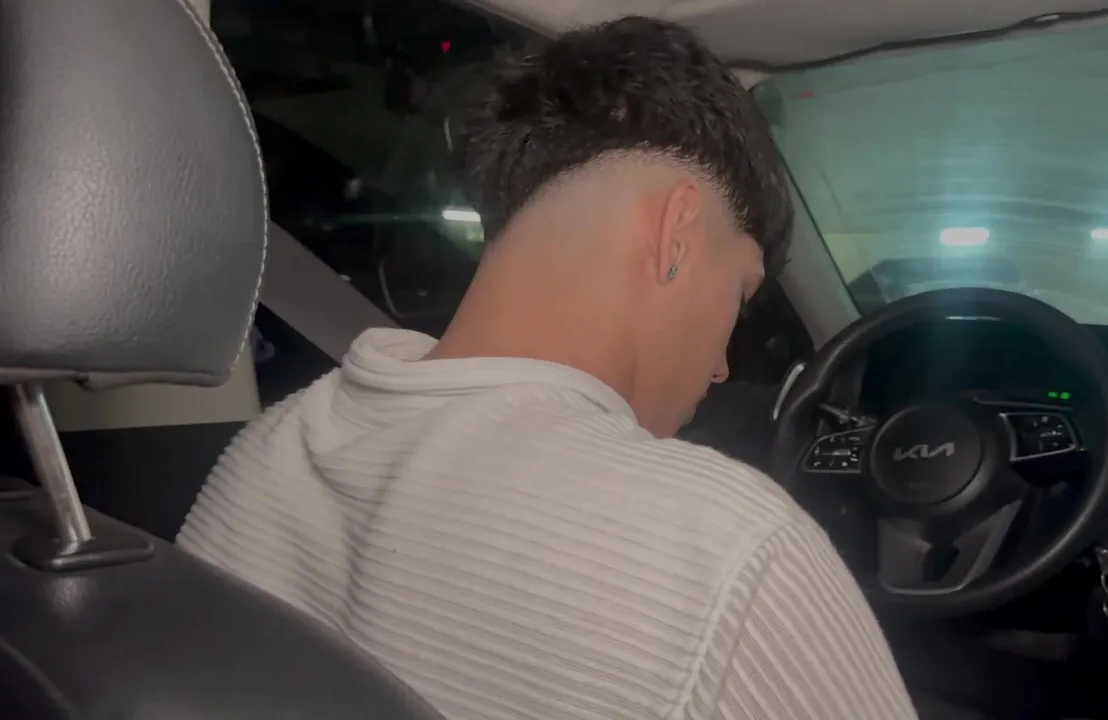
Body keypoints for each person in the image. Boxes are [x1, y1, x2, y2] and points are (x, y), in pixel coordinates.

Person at [178, 16, 918, 720]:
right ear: (677, 234)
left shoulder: (262, 456)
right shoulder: (726, 550)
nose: (724, 366)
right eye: (739, 295)